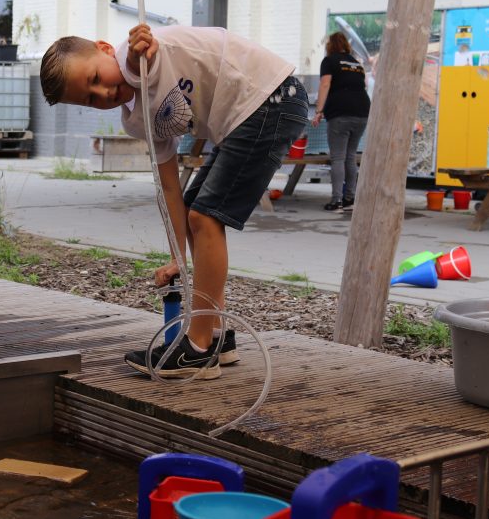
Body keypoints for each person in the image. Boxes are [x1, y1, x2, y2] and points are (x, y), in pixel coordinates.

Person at [40, 24, 308, 379]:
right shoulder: (139, 120)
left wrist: (137, 53)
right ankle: (215, 336)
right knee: (196, 208)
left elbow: (139, 64)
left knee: (205, 217)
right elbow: (169, 188)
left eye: (94, 77)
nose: (103, 92)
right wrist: (176, 257)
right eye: (90, 98)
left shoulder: (138, 54)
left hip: (273, 98)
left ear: (106, 49)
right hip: (246, 115)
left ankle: (197, 350)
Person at [312, 31, 371, 213]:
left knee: (338, 157)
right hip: (362, 111)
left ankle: (336, 200)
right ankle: (350, 198)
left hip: (340, 113)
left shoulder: (329, 61)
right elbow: (364, 86)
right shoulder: (356, 64)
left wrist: (319, 110)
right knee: (350, 156)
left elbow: (325, 84)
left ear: (330, 46)